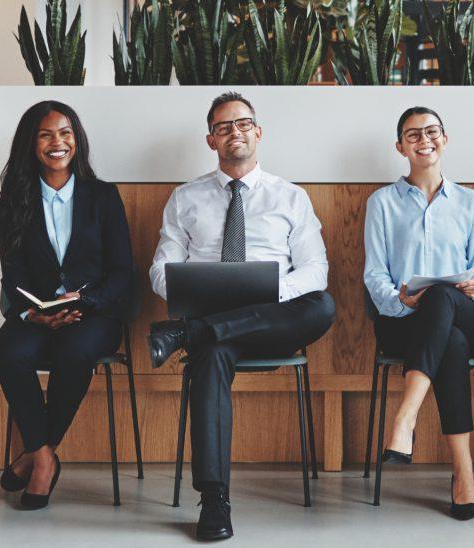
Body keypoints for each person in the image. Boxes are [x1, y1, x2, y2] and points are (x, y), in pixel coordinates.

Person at [146, 92, 336, 541]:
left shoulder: (291, 197)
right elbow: (160, 268)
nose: (236, 132)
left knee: (323, 305)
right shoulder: (185, 197)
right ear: (211, 140)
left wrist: (272, 290)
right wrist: (198, 292)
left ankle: (189, 333)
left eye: (244, 123)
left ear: (259, 132)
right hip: (217, 321)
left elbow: (316, 270)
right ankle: (214, 499)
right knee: (210, 356)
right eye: (225, 127)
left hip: (275, 320)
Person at [0, 100, 138, 511]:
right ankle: (45, 455)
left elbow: (123, 271)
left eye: (66, 132)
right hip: (37, 315)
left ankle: (37, 459)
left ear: (77, 139)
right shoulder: (15, 200)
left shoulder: (102, 197)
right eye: (46, 134)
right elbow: (12, 275)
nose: (58, 142)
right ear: (31, 144)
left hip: (94, 314)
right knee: (10, 353)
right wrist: (32, 313)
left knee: (75, 352)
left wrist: (86, 301)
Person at [362, 106, 474, 521]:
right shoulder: (381, 203)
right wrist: (397, 300)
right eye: (413, 134)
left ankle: (405, 419)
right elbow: (374, 273)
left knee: (444, 299)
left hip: (466, 312)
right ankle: (464, 474)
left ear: (445, 138)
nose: (424, 140)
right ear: (400, 146)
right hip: (406, 323)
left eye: (432, 131)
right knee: (449, 343)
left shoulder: (469, 201)